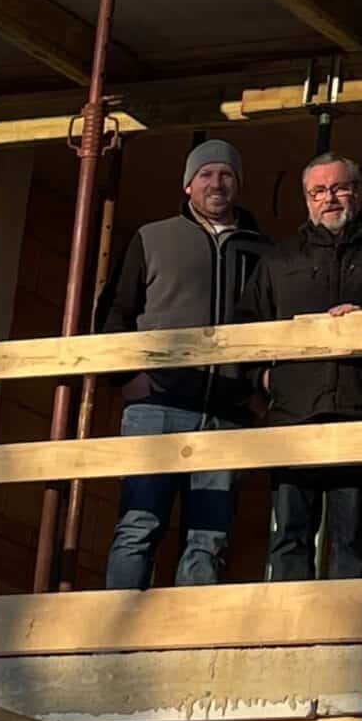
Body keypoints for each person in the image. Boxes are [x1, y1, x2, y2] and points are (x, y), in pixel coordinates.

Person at [240, 151, 362, 580]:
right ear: (306, 199)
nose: (328, 198)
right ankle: (290, 620)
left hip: (361, 409)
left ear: (358, 191)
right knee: (290, 536)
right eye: (318, 191)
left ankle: (348, 623)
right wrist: (263, 378)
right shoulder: (279, 259)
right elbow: (245, 328)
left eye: (338, 188)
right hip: (294, 416)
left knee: (351, 538)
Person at [94, 138, 268, 589]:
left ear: (238, 184)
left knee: (208, 538)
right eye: (206, 174)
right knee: (139, 524)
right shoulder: (153, 238)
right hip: (158, 405)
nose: (216, 183)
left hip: (227, 411)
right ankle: (119, 622)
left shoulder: (262, 251)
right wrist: (127, 378)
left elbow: (274, 326)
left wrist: (256, 390)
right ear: (188, 184)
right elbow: (114, 314)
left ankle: (190, 631)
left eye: (226, 174)